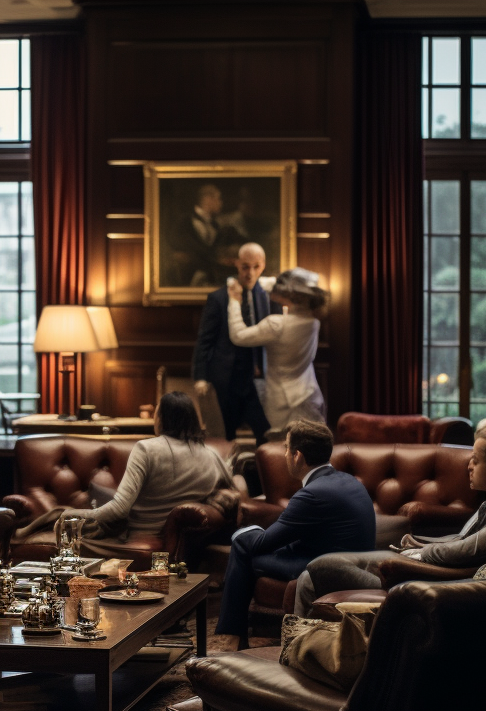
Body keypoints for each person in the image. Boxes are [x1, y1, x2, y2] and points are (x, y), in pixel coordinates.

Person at [291, 422, 486, 618]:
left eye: (475, 460)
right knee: (308, 577)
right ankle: (299, 644)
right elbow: (463, 538)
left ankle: (303, 645)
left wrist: (421, 554)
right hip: (427, 564)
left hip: (429, 575)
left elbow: (473, 548)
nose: (469, 466)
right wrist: (418, 542)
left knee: (321, 565)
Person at [212, 420, 375, 652]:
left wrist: (241, 533)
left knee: (242, 546)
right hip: (348, 562)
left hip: (326, 568)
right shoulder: (346, 480)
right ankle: (235, 637)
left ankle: (233, 639)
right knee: (250, 545)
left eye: (287, 448)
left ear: (297, 455)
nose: (285, 453)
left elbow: (261, 543)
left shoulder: (311, 494)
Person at [75, 390, 234, 542]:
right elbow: (233, 488)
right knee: (98, 494)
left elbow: (120, 508)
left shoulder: (146, 449)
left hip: (141, 532)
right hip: (185, 539)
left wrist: (74, 515)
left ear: (162, 418)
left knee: (77, 505)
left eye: (157, 413)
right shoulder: (211, 454)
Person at [226, 266, 328, 439]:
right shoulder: (313, 322)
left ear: (292, 295)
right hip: (309, 395)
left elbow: (238, 336)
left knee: (283, 450)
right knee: (311, 446)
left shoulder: (276, 324)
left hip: (281, 400)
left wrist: (234, 301)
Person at [193, 242, 271, 441]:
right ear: (237, 264)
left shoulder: (268, 298)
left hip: (258, 379)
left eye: (256, 267)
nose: (250, 273)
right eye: (245, 266)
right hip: (226, 378)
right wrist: (200, 376)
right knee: (225, 436)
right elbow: (205, 340)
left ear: (263, 265)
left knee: (265, 433)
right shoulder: (218, 298)